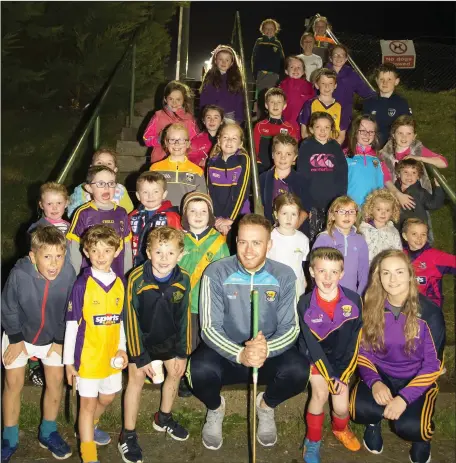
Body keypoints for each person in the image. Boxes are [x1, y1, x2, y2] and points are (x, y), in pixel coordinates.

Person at [186, 213, 310, 451]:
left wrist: (265, 349)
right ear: (235, 241)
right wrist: (240, 354)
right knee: (196, 371)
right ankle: (215, 407)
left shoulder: (284, 275)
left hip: (267, 356)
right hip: (227, 355)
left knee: (299, 371)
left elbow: (291, 327)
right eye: (243, 242)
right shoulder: (216, 272)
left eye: (257, 242)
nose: (249, 250)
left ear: (269, 244)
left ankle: (266, 406)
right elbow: (209, 328)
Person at [350, 249, 445, 463]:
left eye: (399, 272)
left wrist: (404, 398)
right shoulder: (370, 307)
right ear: (378, 276)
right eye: (386, 273)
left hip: (415, 377)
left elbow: (433, 366)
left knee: (411, 427)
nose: (392, 279)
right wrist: (374, 382)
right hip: (382, 374)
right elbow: (363, 353)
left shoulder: (430, 313)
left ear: (410, 275)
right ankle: (373, 424)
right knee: (358, 409)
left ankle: (422, 440)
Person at [1, 227, 76, 462]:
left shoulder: (68, 274)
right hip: (20, 334)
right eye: (47, 257)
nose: (54, 264)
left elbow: (71, 309)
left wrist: (61, 340)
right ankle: (9, 436)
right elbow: (8, 306)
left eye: (59, 256)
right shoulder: (19, 273)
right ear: (33, 257)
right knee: (13, 381)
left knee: (55, 380)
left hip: (54, 336)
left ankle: (48, 431)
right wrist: (14, 338)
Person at [119, 227, 190, 463]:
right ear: (148, 252)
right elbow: (130, 318)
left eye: (170, 253)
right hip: (141, 338)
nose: (164, 259)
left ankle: (163, 417)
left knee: (176, 371)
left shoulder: (184, 280)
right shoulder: (137, 278)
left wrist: (182, 352)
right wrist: (141, 356)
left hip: (168, 338)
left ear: (180, 255)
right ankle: (127, 434)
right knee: (137, 376)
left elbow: (184, 318)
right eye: (158, 252)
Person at [64, 225, 128, 463]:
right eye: (95, 250)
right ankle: (88, 454)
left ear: (116, 251)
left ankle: (89, 426)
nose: (101, 256)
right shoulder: (83, 284)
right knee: (87, 404)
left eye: (107, 250)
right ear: (86, 252)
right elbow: (72, 325)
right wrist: (69, 363)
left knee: (108, 397)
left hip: (110, 356)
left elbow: (120, 321)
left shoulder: (120, 282)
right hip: (87, 359)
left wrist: (122, 348)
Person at [298, 247, 362, 463]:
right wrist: (329, 376)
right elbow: (312, 346)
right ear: (311, 271)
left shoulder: (354, 300)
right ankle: (312, 440)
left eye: (334, 272)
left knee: (342, 408)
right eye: (322, 271)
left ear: (342, 273)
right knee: (320, 395)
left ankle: (340, 429)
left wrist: (342, 375)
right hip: (316, 358)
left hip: (342, 360)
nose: (327, 277)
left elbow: (355, 341)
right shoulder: (305, 303)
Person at [27, 182, 70, 388]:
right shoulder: (36, 228)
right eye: (49, 203)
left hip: (62, 282)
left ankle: (56, 354)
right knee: (39, 319)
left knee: (58, 317)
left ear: (66, 204)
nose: (54, 207)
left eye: (59, 203)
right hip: (41, 283)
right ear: (41, 205)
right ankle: (34, 364)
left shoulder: (71, 227)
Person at [66, 165, 133, 277]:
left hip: (116, 275)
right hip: (90, 277)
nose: (106, 188)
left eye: (111, 183)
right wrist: (76, 275)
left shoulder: (122, 213)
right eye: (101, 184)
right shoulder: (83, 213)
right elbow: (74, 247)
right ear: (89, 188)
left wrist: (127, 274)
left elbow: (127, 246)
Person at [297, 112, 348, 241]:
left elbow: (342, 175)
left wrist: (340, 199)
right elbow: (302, 175)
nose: (322, 131)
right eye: (318, 127)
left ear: (331, 130)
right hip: (311, 202)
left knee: (330, 238)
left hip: (332, 203)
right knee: (311, 238)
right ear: (311, 129)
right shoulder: (305, 146)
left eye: (326, 127)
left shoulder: (335, 147)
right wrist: (304, 203)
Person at [380, 115, 448, 210]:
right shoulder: (384, 154)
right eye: (400, 133)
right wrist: (398, 195)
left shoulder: (418, 149)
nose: (404, 137)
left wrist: (419, 158)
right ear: (393, 134)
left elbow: (443, 163)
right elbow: (385, 178)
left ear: (414, 136)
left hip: (418, 199)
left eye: (409, 133)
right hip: (393, 200)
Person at [313, 196, 369, 295]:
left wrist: (360, 296)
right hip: (326, 294)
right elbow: (315, 270)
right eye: (342, 211)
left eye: (351, 212)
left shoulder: (360, 240)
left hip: (351, 295)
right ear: (333, 216)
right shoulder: (324, 238)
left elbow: (364, 272)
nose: (347, 215)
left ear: (356, 216)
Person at [260, 134, 310, 237]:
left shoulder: (301, 180)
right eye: (279, 153)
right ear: (273, 155)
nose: (283, 157)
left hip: (295, 232)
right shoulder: (263, 178)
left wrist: (291, 230)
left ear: (295, 157)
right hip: (270, 231)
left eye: (288, 154)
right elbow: (260, 206)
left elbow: (306, 209)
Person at [207, 123, 251, 238]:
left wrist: (230, 218)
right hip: (218, 219)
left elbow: (241, 191)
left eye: (234, 138)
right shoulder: (212, 162)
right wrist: (216, 218)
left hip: (238, 215)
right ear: (219, 140)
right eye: (225, 137)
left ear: (240, 143)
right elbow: (210, 192)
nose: (229, 141)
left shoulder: (243, 159)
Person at [129, 171, 182, 267]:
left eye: (156, 191)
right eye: (145, 192)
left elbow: (179, 242)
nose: (150, 196)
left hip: (163, 263)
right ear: (137, 195)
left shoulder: (171, 216)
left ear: (164, 194)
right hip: (137, 264)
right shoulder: (132, 216)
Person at [150, 123, 207, 209]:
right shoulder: (155, 169)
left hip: (187, 218)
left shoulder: (197, 171)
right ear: (166, 142)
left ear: (188, 143)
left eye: (181, 140)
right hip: (162, 217)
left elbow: (202, 199)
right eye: (172, 139)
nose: (176, 143)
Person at [402, 218, 456, 309]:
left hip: (430, 307)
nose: (419, 238)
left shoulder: (435, 257)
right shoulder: (399, 255)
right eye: (414, 234)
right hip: (404, 304)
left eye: (423, 234)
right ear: (405, 236)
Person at [143, 80, 198, 164]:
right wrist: (159, 140)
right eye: (171, 99)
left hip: (182, 163)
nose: (174, 103)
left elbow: (194, 142)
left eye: (178, 99)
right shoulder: (158, 116)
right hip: (160, 161)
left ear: (184, 100)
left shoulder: (189, 119)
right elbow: (146, 139)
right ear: (165, 99)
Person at [67, 148, 134, 218]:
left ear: (115, 170)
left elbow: (127, 210)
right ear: (91, 168)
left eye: (109, 163)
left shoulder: (120, 190)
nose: (104, 165)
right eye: (99, 163)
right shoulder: (81, 189)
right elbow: (72, 211)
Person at [267, 193, 309, 296]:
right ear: (276, 214)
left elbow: (301, 264)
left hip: (296, 290)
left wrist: (304, 281)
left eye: (293, 214)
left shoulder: (303, 239)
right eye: (284, 213)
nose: (289, 218)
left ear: (299, 216)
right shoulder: (269, 237)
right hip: (274, 290)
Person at [363, 63, 412, 148]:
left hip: (393, 147)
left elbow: (407, 128)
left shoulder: (401, 103)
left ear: (396, 81)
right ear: (377, 80)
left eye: (389, 79)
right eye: (382, 79)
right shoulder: (369, 103)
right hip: (371, 146)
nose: (385, 83)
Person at [345, 114, 388, 207]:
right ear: (355, 132)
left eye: (371, 132)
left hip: (373, 209)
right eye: (362, 131)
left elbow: (386, 181)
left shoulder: (378, 157)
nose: (367, 134)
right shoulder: (344, 155)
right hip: (351, 209)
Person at [298, 68, 349, 145]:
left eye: (330, 83)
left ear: (335, 85)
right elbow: (304, 132)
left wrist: (333, 148)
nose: (327, 87)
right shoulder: (309, 104)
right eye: (323, 83)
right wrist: (311, 145)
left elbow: (342, 135)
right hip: (313, 146)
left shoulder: (341, 107)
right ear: (317, 85)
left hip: (332, 148)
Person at [327, 44, 376, 123]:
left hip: (344, 116)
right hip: (326, 115)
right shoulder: (323, 73)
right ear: (330, 58)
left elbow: (366, 92)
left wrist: (380, 97)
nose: (339, 57)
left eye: (342, 55)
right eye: (335, 55)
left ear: (346, 58)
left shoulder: (352, 75)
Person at [253, 87, 298, 172]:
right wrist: (257, 163)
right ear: (266, 105)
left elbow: (293, 150)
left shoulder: (290, 128)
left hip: (282, 167)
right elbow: (254, 148)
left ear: (284, 106)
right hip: (262, 168)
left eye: (279, 102)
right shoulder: (259, 126)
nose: (275, 105)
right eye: (272, 102)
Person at [394, 159, 445, 232]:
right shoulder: (394, 189)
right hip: (397, 229)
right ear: (399, 174)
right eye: (405, 172)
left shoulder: (420, 192)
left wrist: (439, 187)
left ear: (418, 176)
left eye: (414, 173)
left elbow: (434, 204)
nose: (409, 175)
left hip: (415, 231)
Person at [200, 45, 244, 124]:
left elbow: (239, 100)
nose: (223, 62)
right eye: (220, 59)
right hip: (212, 115)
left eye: (227, 60)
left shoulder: (235, 79)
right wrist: (203, 114)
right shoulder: (210, 77)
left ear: (231, 63)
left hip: (229, 115)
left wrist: (238, 118)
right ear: (215, 61)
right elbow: (204, 97)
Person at [251, 18, 285, 120]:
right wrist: (255, 73)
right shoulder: (259, 41)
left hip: (274, 75)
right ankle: (259, 118)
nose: (269, 31)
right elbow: (254, 57)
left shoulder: (277, 43)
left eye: (271, 29)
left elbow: (282, 59)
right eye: (266, 28)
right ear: (262, 30)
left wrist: (281, 74)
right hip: (262, 74)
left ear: (275, 30)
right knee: (261, 97)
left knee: (272, 97)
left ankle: (271, 118)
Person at [359, 189, 402, 265]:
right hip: (367, 269)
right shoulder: (363, 229)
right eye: (379, 209)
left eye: (387, 210)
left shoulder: (393, 232)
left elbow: (398, 252)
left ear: (393, 211)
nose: (383, 213)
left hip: (386, 268)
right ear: (371, 209)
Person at [278, 55, 315, 137]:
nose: (295, 69)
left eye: (299, 67)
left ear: (303, 71)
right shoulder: (281, 86)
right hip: (285, 125)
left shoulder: (309, 87)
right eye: (292, 67)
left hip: (303, 127)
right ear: (286, 71)